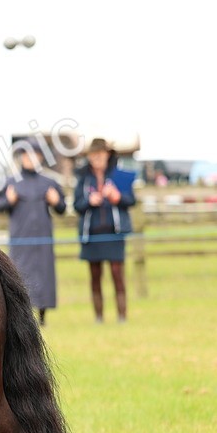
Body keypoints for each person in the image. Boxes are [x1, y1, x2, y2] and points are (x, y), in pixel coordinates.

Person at [0, 145, 66, 325]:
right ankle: (23, 314)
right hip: (21, 237)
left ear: (41, 158)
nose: (31, 159)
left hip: (43, 238)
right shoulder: (11, 182)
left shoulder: (49, 183)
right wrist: (8, 201)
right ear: (22, 158)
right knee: (20, 273)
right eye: (27, 155)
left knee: (44, 274)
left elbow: (62, 207)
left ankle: (42, 316)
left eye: (36, 155)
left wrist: (56, 201)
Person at [73, 137, 136, 323]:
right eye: (93, 154)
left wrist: (117, 197)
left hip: (114, 232)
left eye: (100, 154)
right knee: (95, 275)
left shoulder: (119, 176)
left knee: (117, 274)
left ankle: (122, 316)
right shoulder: (83, 179)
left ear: (108, 155)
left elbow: (131, 200)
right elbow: (77, 205)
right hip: (92, 234)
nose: (97, 158)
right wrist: (89, 201)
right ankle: (99, 317)